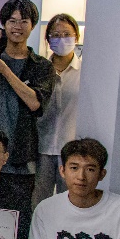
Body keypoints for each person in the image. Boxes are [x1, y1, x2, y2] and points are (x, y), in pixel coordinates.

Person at [0, 0, 56, 190]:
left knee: (19, 205)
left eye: (24, 21)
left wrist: (5, 70)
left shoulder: (41, 66)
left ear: (33, 25)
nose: (18, 27)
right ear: (3, 24)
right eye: (12, 21)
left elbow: (35, 103)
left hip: (21, 154)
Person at [33, 14, 82, 207]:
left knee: (70, 201)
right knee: (39, 202)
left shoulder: (85, 72)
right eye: (55, 35)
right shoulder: (40, 71)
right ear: (47, 40)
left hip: (72, 149)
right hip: (41, 148)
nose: (61, 39)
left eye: (66, 34)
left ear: (76, 37)